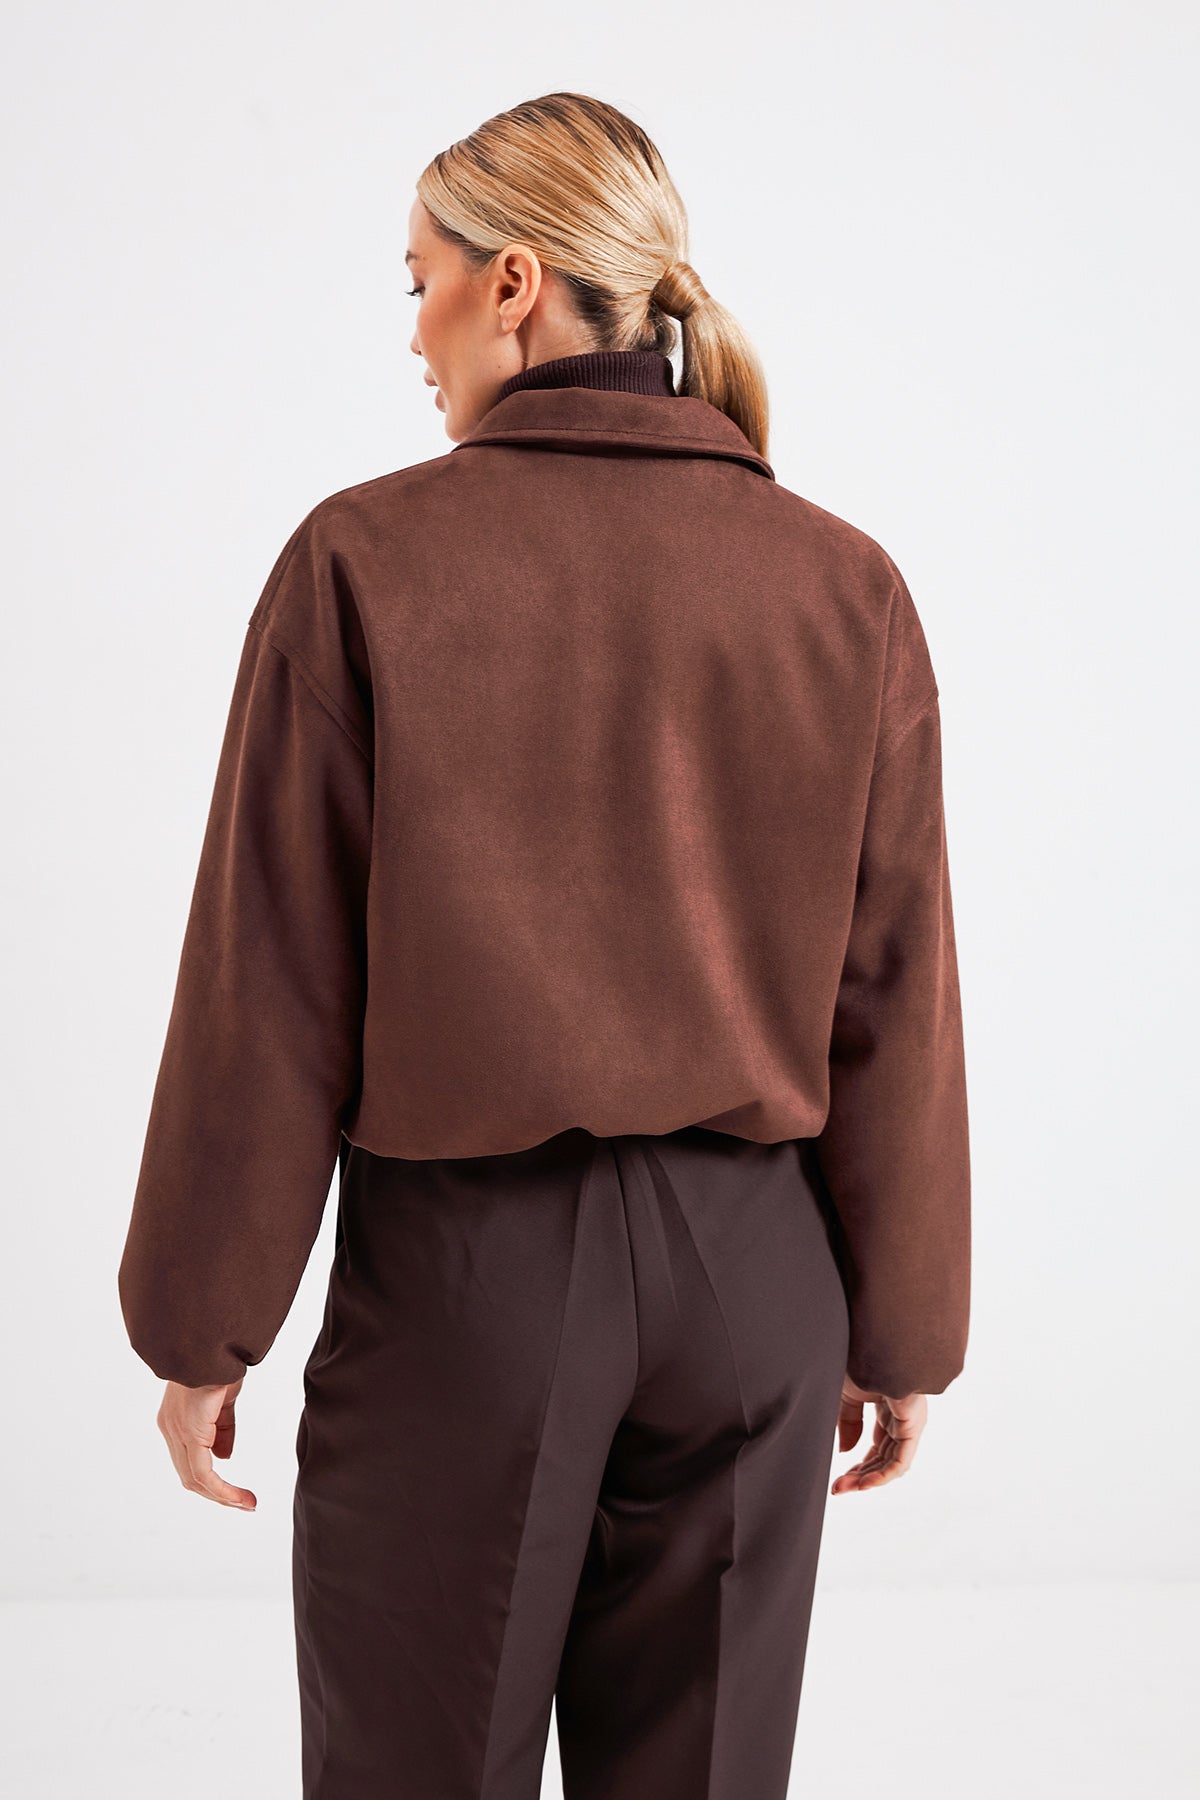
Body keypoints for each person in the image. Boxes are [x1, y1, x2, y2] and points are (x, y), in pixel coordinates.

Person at [118, 90, 970, 1800]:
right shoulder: (843, 584)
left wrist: (203, 1321)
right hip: (757, 1289)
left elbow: (272, 980)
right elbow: (897, 988)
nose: (410, 331)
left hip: (470, 1289)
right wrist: (906, 1327)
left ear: (513, 283)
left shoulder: (364, 559)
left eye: (418, 279)